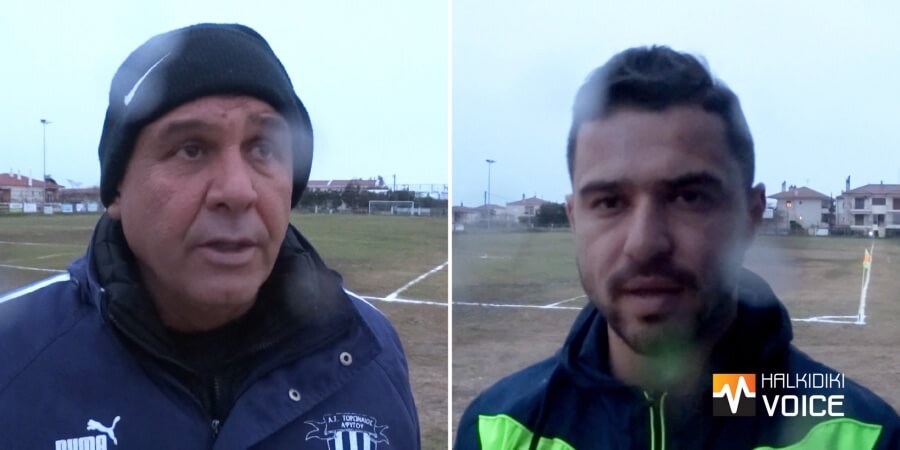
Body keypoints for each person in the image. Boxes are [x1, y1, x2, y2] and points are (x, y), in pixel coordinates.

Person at [456, 46, 899, 449]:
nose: (644, 244)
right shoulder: (498, 430)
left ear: (750, 216)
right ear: (575, 219)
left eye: (689, 197)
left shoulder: (861, 437)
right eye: (609, 202)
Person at [0, 23, 419, 449]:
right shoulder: (13, 355)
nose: (237, 191)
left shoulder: (370, 349)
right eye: (191, 149)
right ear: (118, 189)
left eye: (263, 149)